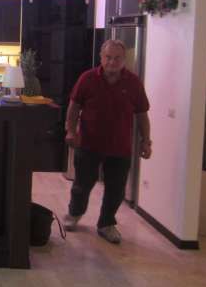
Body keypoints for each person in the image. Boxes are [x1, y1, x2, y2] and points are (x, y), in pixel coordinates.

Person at [63, 39, 152, 245]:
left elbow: (142, 114)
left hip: (120, 146)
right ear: (101, 58)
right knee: (82, 185)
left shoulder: (133, 83)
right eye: (108, 57)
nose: (112, 62)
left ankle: (106, 224)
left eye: (117, 58)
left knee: (116, 189)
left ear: (124, 59)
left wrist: (146, 141)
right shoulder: (87, 78)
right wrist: (71, 130)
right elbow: (74, 107)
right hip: (88, 143)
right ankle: (75, 213)